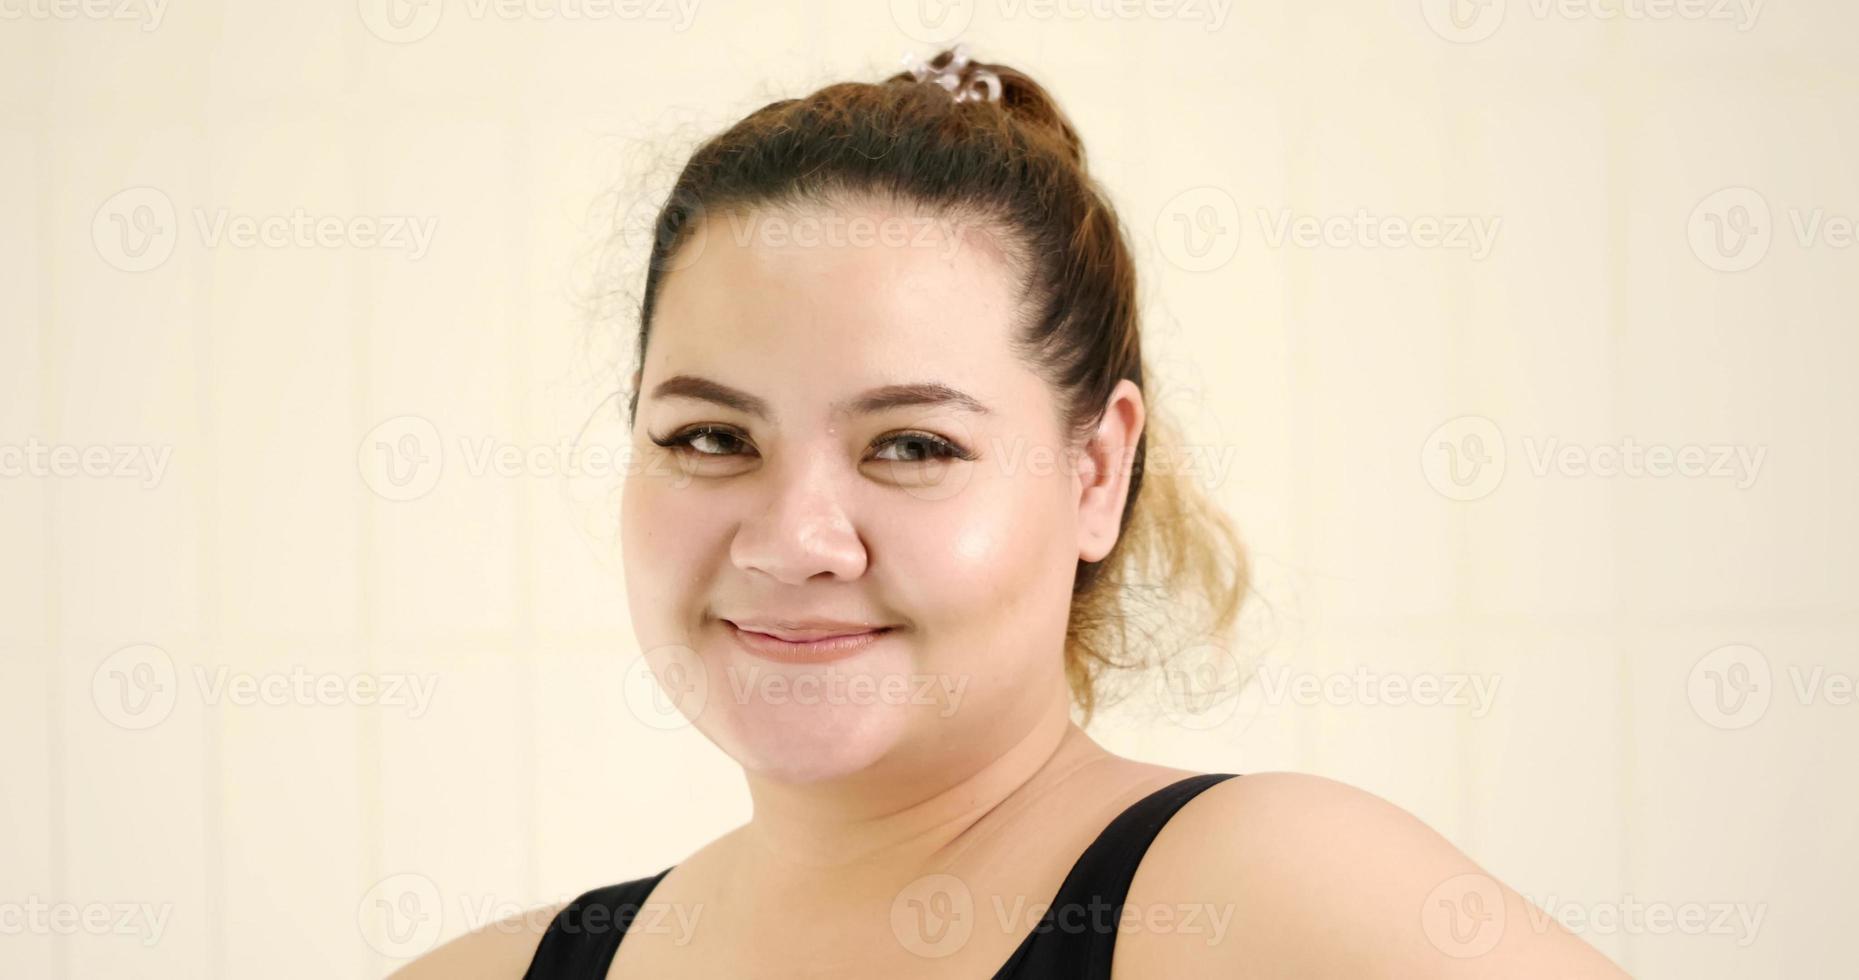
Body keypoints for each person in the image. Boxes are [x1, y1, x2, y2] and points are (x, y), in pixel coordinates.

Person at [396, 46, 1629, 979]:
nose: (789, 538)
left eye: (912, 444)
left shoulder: (1265, 894)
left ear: (1093, 473)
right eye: (710, 436)